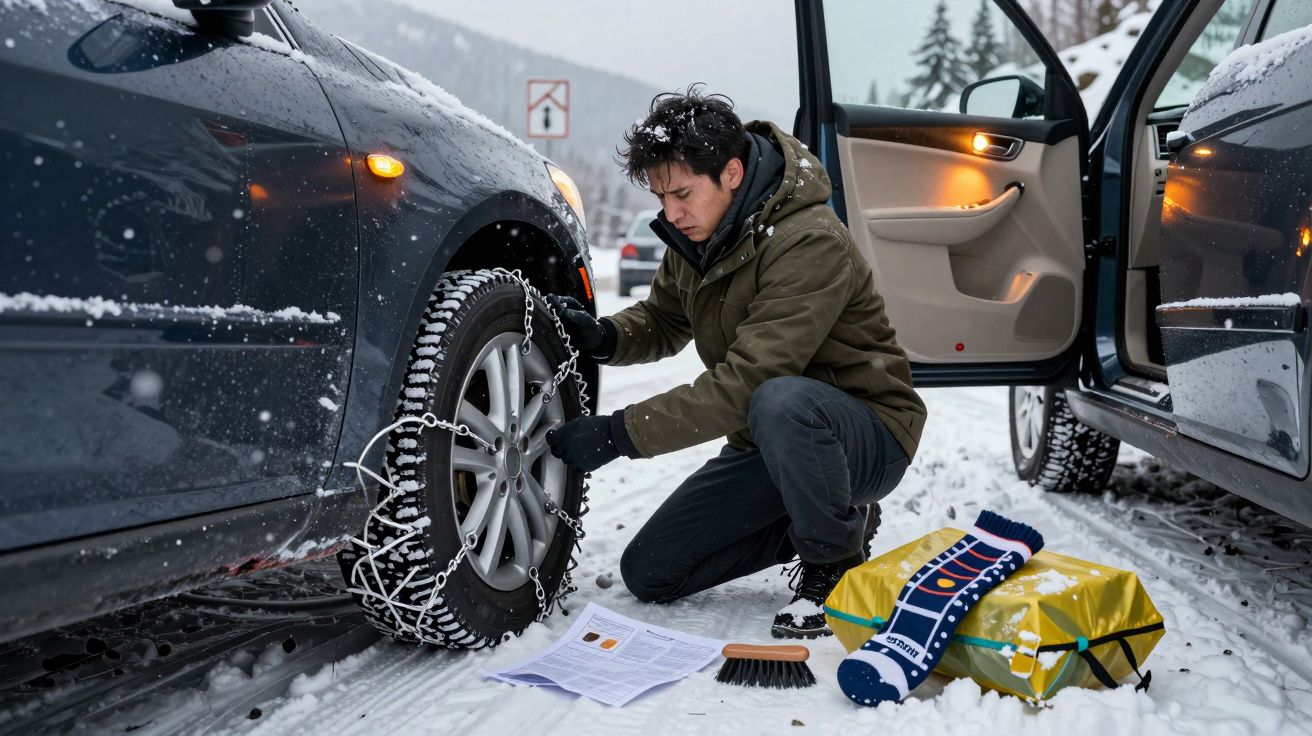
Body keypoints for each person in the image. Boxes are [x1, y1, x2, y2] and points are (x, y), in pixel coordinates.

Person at [544, 84, 927, 639]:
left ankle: (834, 565)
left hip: (865, 434)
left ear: (731, 173)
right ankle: (834, 518)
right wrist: (603, 336)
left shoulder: (807, 241)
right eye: (660, 199)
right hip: (770, 444)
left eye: (682, 194)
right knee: (651, 571)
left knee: (779, 397)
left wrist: (617, 435)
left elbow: (750, 380)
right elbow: (663, 320)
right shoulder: (700, 237)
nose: (671, 214)